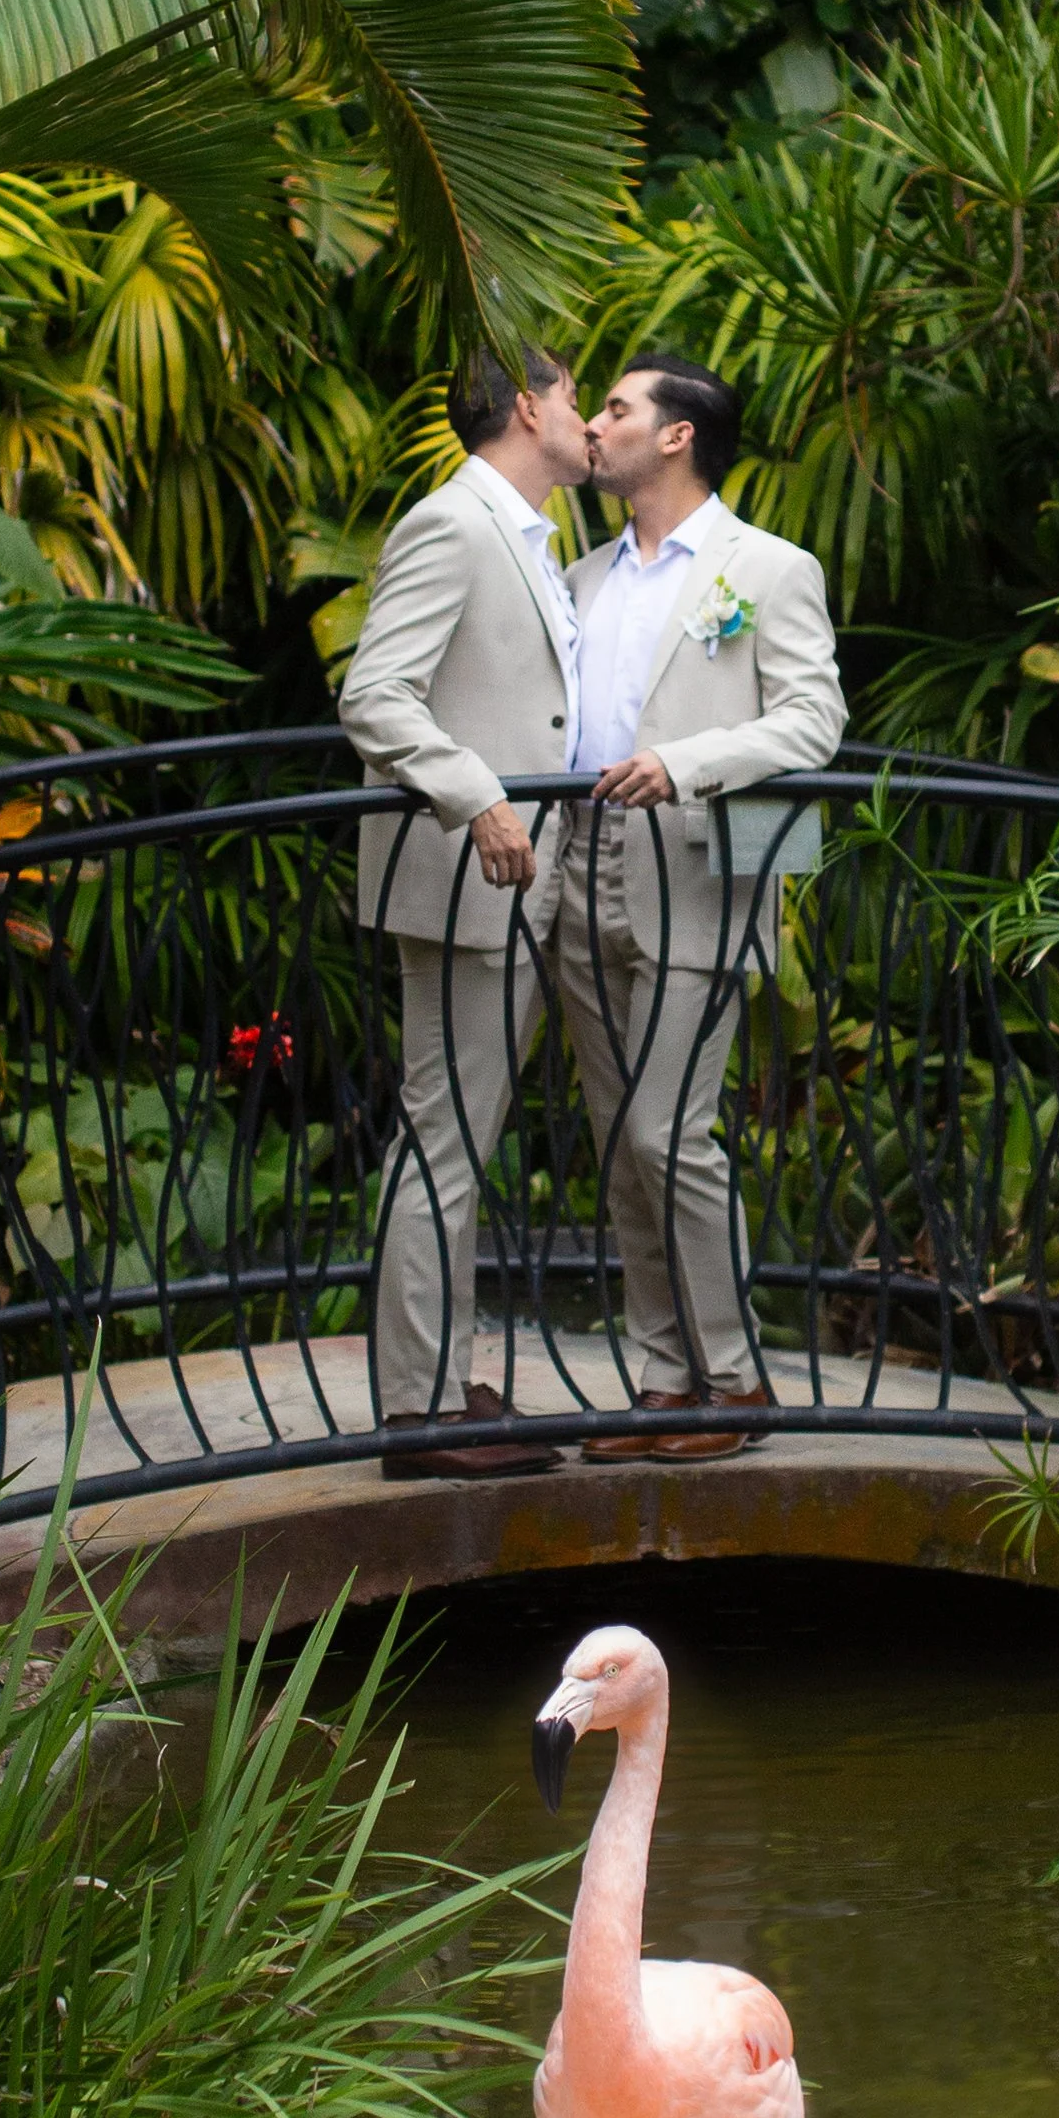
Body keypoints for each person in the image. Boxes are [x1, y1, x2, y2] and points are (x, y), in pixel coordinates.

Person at [556, 352, 845, 1461]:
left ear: (675, 436)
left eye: (618, 409)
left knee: (667, 1129)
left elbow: (811, 722)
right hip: (583, 872)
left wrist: (687, 761)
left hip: (696, 869)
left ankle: (732, 1378)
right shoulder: (579, 580)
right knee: (617, 1140)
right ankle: (664, 1384)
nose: (598, 425)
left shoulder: (767, 569)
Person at [339, 343, 590, 1477]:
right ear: (529, 407)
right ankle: (419, 1411)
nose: (587, 420)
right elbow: (374, 695)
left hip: (517, 885)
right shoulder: (453, 523)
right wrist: (480, 798)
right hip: (463, 882)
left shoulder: (536, 540)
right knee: (443, 1136)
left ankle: (440, 1381)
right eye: (577, 397)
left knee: (461, 1136)